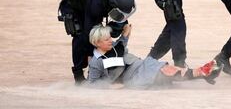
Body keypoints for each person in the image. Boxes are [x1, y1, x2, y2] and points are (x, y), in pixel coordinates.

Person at [87, 24, 223, 88]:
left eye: (110, 37)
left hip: (142, 64)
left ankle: (202, 72)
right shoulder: (96, 62)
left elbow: (124, 39)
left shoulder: (114, 46)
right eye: (106, 39)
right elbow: (92, 84)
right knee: (167, 73)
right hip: (134, 77)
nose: (111, 40)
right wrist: (111, 86)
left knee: (169, 69)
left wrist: (126, 28)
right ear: (97, 43)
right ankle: (202, 73)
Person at [57, 0, 136, 84]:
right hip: (74, 5)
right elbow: (89, 35)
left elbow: (122, 16)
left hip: (91, 0)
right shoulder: (96, 6)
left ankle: (104, 67)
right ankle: (78, 75)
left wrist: (122, 27)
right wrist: (92, 61)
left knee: (112, 31)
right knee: (81, 36)